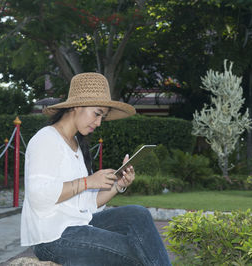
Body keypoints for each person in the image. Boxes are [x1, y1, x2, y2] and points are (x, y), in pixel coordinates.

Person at [20, 72, 171, 266]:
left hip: (80, 225)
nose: (99, 122)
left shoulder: (76, 145)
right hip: (53, 238)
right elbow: (38, 196)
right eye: (97, 113)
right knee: (136, 252)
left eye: (102, 116)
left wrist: (117, 185)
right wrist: (87, 182)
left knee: (138, 214)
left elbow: (88, 204)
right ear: (76, 106)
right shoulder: (46, 139)